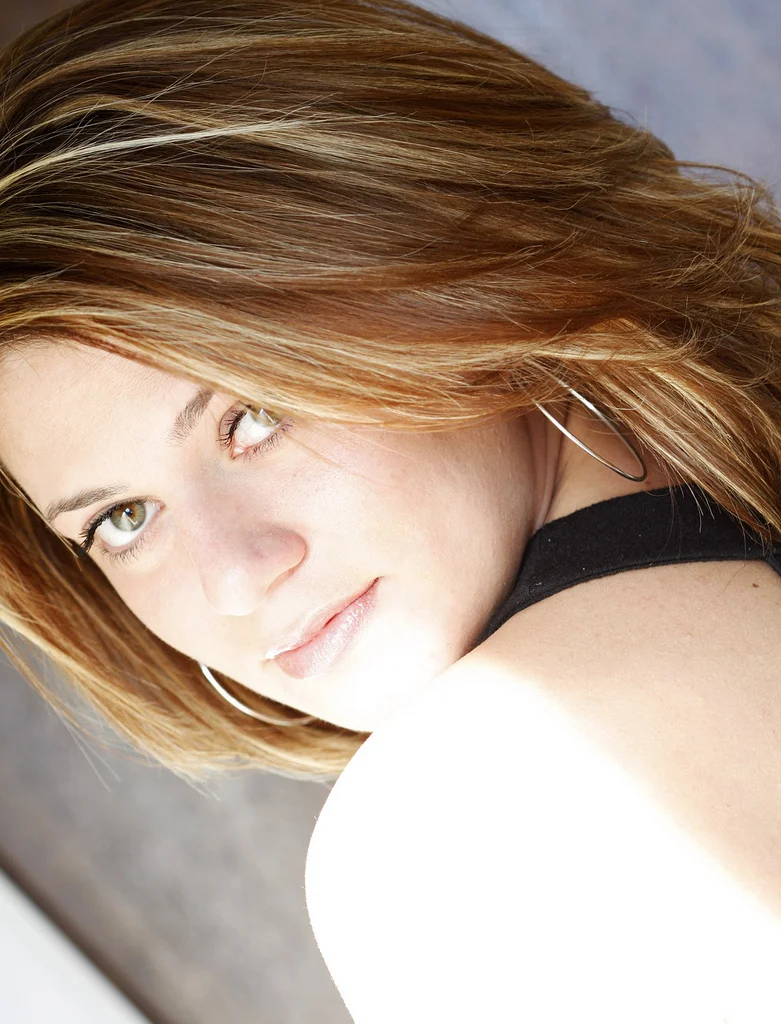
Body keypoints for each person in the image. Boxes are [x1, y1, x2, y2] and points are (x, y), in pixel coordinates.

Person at [0, 0, 780, 1020]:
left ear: (460, 260)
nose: (235, 576)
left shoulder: (459, 826)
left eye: (253, 415)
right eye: (122, 520)